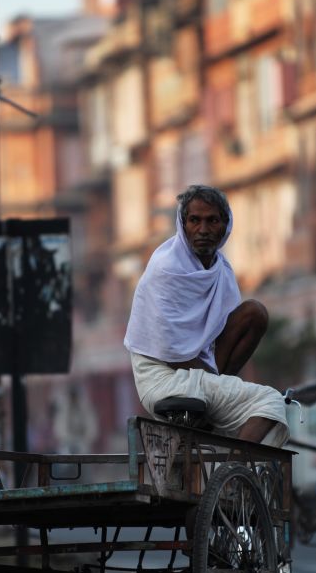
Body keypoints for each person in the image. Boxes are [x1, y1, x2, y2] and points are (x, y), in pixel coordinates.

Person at [123, 184, 288, 447]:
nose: (203, 230)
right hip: (163, 376)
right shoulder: (166, 269)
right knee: (269, 401)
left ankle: (227, 457)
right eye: (194, 220)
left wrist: (222, 385)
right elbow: (172, 353)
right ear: (183, 224)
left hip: (197, 367)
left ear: (226, 225)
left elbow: (217, 335)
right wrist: (224, 388)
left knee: (255, 313)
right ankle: (234, 476)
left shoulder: (221, 269)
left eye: (212, 221)